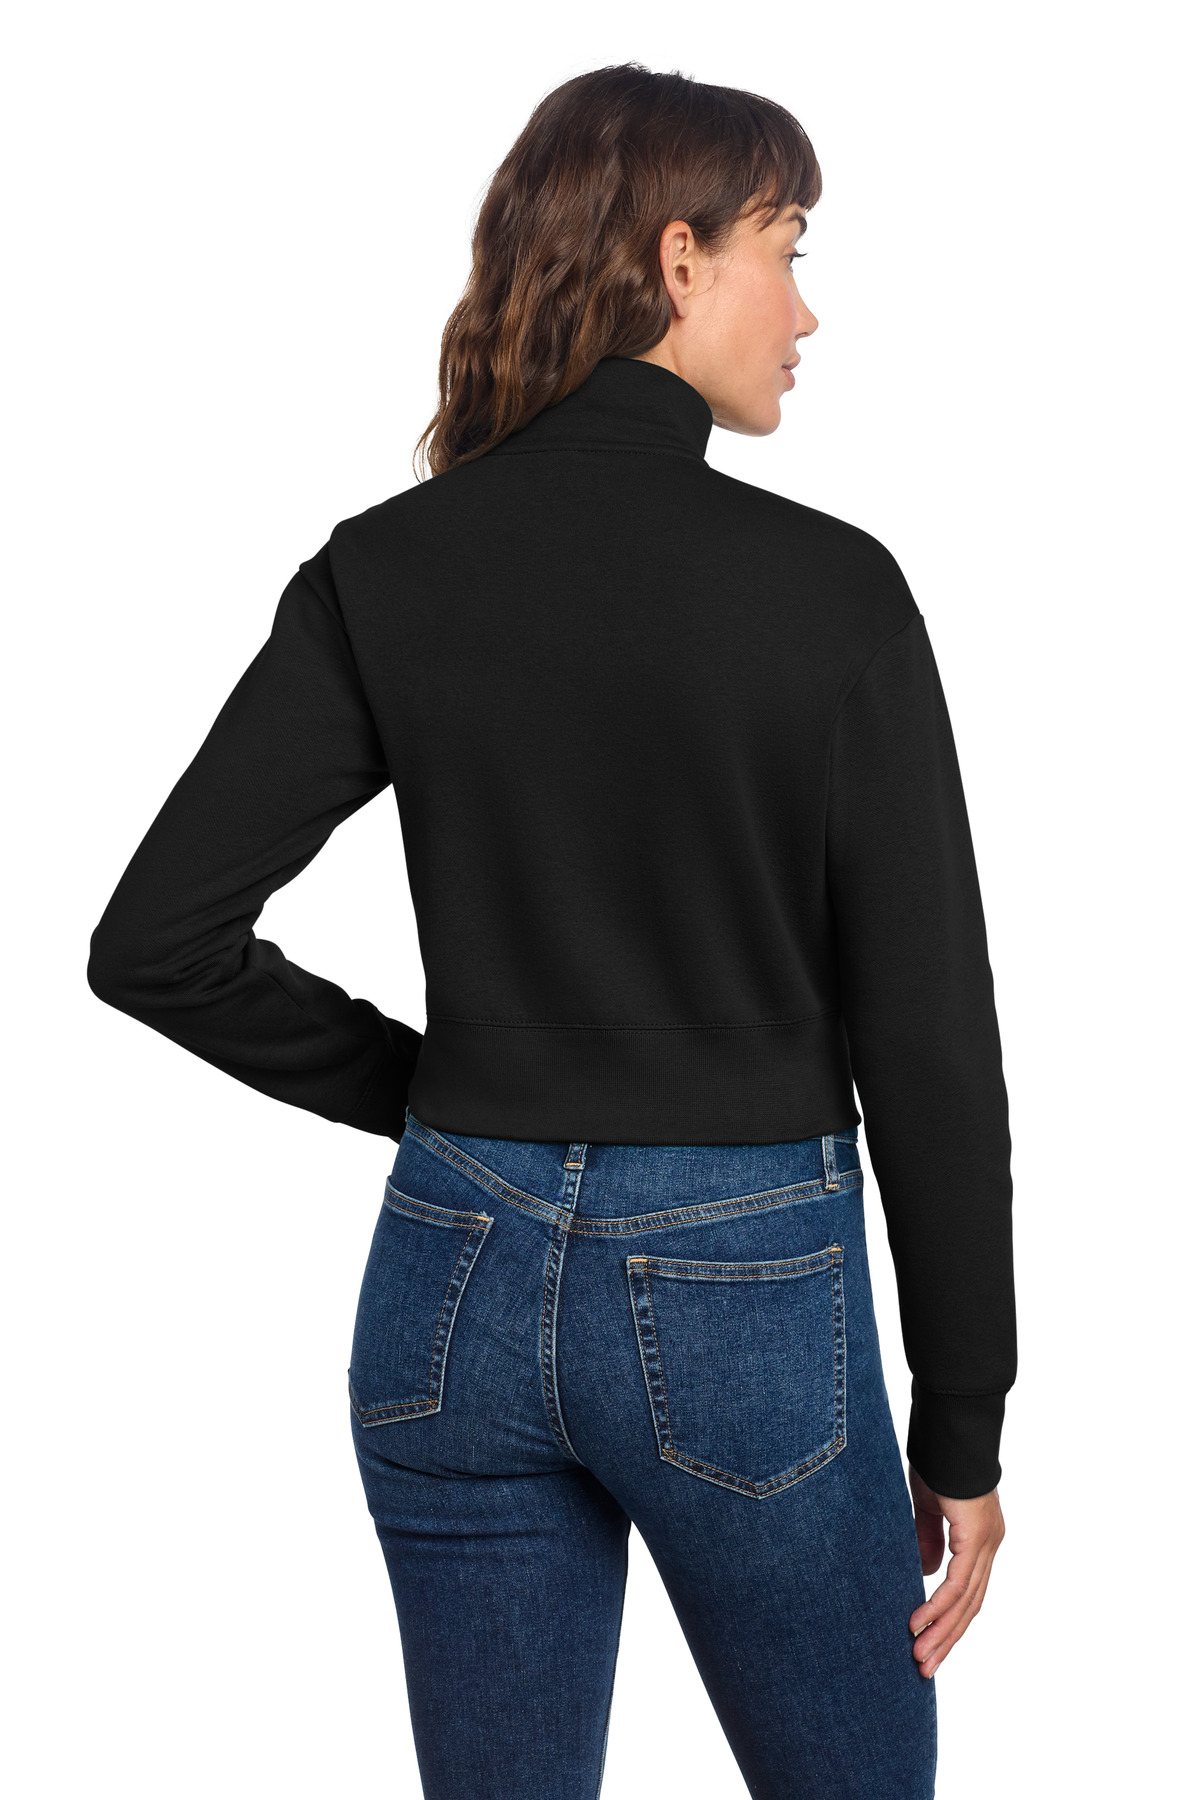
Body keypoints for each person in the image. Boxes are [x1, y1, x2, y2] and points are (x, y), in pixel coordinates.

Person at [87, 62, 1013, 1800]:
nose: (806, 312)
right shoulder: (832, 592)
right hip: (745, 1295)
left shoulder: (387, 568)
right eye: (787, 248)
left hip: (450, 1275)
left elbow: (157, 940)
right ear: (679, 259)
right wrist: (964, 1421)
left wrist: (451, 1099)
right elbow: (930, 1043)